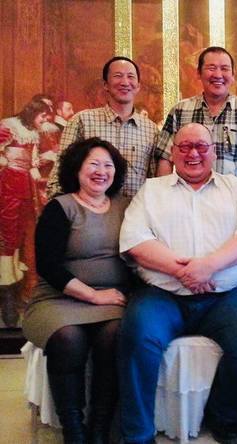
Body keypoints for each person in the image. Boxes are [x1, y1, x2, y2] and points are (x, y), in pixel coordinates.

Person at [119, 123, 237, 444]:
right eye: (185, 146)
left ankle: (223, 416)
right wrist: (185, 273)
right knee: (137, 338)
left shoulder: (235, 188)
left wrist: (208, 267)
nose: (194, 153)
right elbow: (135, 242)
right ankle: (137, 434)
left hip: (225, 297)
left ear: (214, 152)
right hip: (162, 295)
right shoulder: (152, 191)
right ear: (173, 152)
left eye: (202, 147)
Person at [22, 137, 131, 444]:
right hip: (58, 299)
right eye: (93, 164)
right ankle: (74, 430)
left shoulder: (126, 206)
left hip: (111, 299)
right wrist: (93, 295)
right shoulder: (60, 207)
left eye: (108, 165)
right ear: (77, 169)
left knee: (115, 335)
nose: (101, 171)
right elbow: (48, 266)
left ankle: (99, 428)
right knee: (68, 339)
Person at [155, 46, 237, 201]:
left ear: (233, 75)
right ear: (199, 73)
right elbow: (165, 159)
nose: (218, 75)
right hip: (188, 202)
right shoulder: (180, 110)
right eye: (211, 68)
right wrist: (163, 201)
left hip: (234, 202)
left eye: (224, 68)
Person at [46, 56, 171, 198]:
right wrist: (61, 207)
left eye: (130, 77)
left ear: (138, 86)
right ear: (105, 84)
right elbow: (60, 174)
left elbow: (154, 181)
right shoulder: (82, 121)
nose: (125, 82)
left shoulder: (151, 130)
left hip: (135, 209)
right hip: (89, 209)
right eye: (118, 76)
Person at [0, 100, 52, 327]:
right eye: (43, 116)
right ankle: (7, 294)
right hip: (7, 186)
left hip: (24, 188)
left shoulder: (34, 134)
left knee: (24, 235)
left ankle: (20, 290)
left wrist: (41, 167)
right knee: (7, 236)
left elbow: (31, 163)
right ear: (33, 113)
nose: (45, 120)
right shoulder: (9, 126)